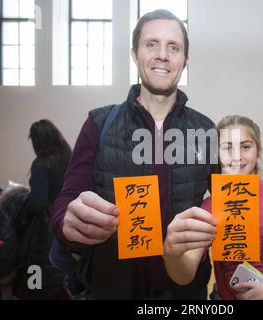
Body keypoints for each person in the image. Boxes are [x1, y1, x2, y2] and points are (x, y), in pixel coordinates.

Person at [51, 9, 216, 299]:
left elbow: (225, 202)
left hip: (184, 290)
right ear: (134, 53)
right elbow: (65, 202)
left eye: (173, 47)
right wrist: (69, 221)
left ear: (185, 60)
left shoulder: (205, 130)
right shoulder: (99, 123)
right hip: (113, 285)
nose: (162, 55)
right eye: (151, 44)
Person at [163, 115, 263, 300]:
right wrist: (172, 254)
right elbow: (184, 276)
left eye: (246, 146)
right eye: (227, 148)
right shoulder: (209, 207)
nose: (237, 156)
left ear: (258, 151)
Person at [19, 119, 71, 299]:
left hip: (46, 233)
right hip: (67, 227)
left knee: (36, 286)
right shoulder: (68, 157)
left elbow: (38, 203)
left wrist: (21, 202)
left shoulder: (42, 164)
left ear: (37, 140)